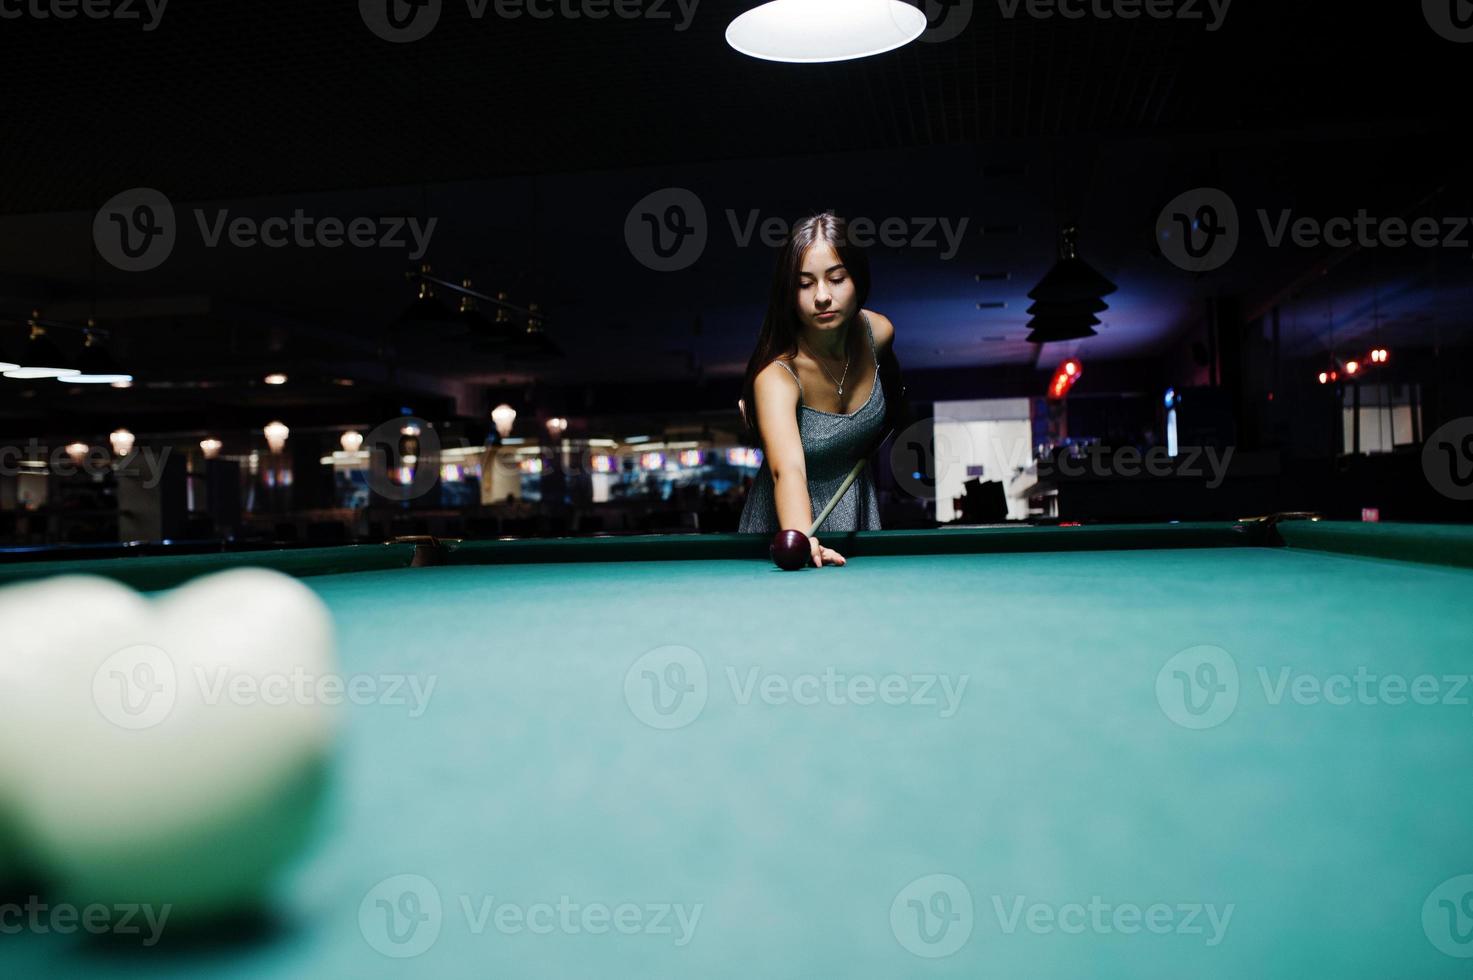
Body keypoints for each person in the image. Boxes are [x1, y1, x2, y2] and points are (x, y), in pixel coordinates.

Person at [736, 212, 905, 567]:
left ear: (857, 280)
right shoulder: (777, 376)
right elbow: (789, 469)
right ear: (789, 293)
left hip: (856, 508)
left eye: (837, 278)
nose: (823, 296)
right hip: (786, 525)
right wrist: (803, 539)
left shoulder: (880, 335)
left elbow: (895, 394)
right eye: (804, 284)